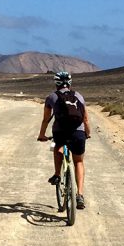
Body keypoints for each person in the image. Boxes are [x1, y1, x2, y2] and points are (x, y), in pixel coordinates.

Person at [37, 70, 90, 210]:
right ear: (70, 83)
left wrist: (42, 135)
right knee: (78, 161)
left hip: (60, 131)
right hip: (78, 132)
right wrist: (87, 133)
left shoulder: (51, 97)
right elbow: (85, 119)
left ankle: (57, 174)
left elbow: (46, 120)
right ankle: (79, 194)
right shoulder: (79, 96)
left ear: (56, 83)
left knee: (57, 147)